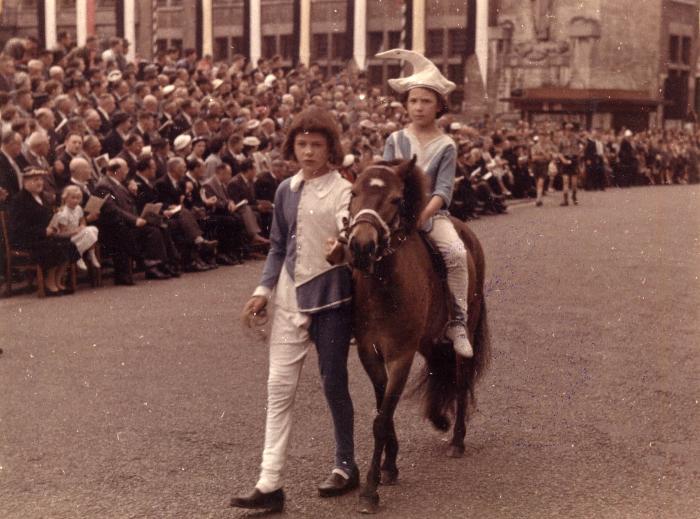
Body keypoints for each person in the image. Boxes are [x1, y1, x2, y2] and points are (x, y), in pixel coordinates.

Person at [231, 107, 357, 513]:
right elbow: (278, 247)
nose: (308, 152)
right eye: (301, 144)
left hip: (332, 298)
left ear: (330, 148)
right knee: (278, 388)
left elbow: (348, 238)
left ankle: (345, 464)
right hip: (288, 298)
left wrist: (342, 248)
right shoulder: (285, 188)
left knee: (333, 382)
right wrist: (262, 291)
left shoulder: (344, 189)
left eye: (316, 145)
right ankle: (270, 483)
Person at [377, 48, 473, 358]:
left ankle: (458, 322)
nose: (419, 107)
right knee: (363, 247)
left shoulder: (446, 144)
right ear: (406, 104)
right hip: (395, 214)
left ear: (439, 106)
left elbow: (443, 190)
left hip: (431, 215)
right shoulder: (396, 140)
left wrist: (422, 215)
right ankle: (360, 316)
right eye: (414, 101)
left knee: (456, 253)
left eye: (426, 101)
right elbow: (386, 180)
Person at [8, 167, 79, 295]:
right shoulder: (18, 200)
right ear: (25, 182)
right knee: (52, 246)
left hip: (44, 236)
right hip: (27, 239)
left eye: (41, 179)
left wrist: (55, 226)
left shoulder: (42, 197)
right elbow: (17, 228)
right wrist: (42, 231)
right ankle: (49, 283)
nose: (40, 183)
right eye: (35, 180)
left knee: (69, 244)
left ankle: (57, 281)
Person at [55, 185, 101, 271]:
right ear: (65, 198)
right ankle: (78, 255)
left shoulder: (78, 208)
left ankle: (89, 253)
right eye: (73, 198)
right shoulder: (63, 213)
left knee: (94, 229)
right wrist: (75, 231)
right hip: (70, 237)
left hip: (79, 234)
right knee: (90, 233)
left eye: (78, 198)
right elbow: (62, 232)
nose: (76, 200)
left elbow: (82, 220)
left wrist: (82, 226)